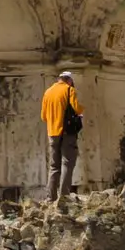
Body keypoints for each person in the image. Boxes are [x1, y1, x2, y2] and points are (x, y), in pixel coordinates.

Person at [41, 69, 83, 202]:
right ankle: (64, 196)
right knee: (67, 163)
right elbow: (76, 108)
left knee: (54, 166)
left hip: (52, 133)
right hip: (66, 132)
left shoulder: (47, 92)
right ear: (69, 80)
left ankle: (50, 197)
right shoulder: (69, 90)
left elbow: (43, 116)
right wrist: (82, 111)